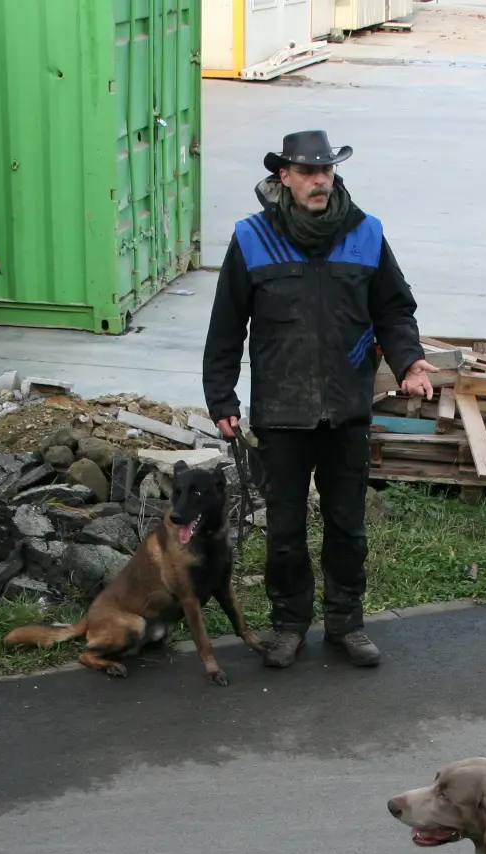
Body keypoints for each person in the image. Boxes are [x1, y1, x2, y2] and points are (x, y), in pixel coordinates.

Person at [203, 130, 436, 669]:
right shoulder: (252, 238)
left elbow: (394, 310)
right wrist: (222, 398)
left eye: (326, 171)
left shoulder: (366, 234)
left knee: (347, 525)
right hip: (280, 414)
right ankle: (288, 625)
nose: (319, 181)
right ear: (284, 176)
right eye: (308, 172)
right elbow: (226, 327)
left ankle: (346, 624)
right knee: (284, 530)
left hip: (346, 409)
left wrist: (409, 360)